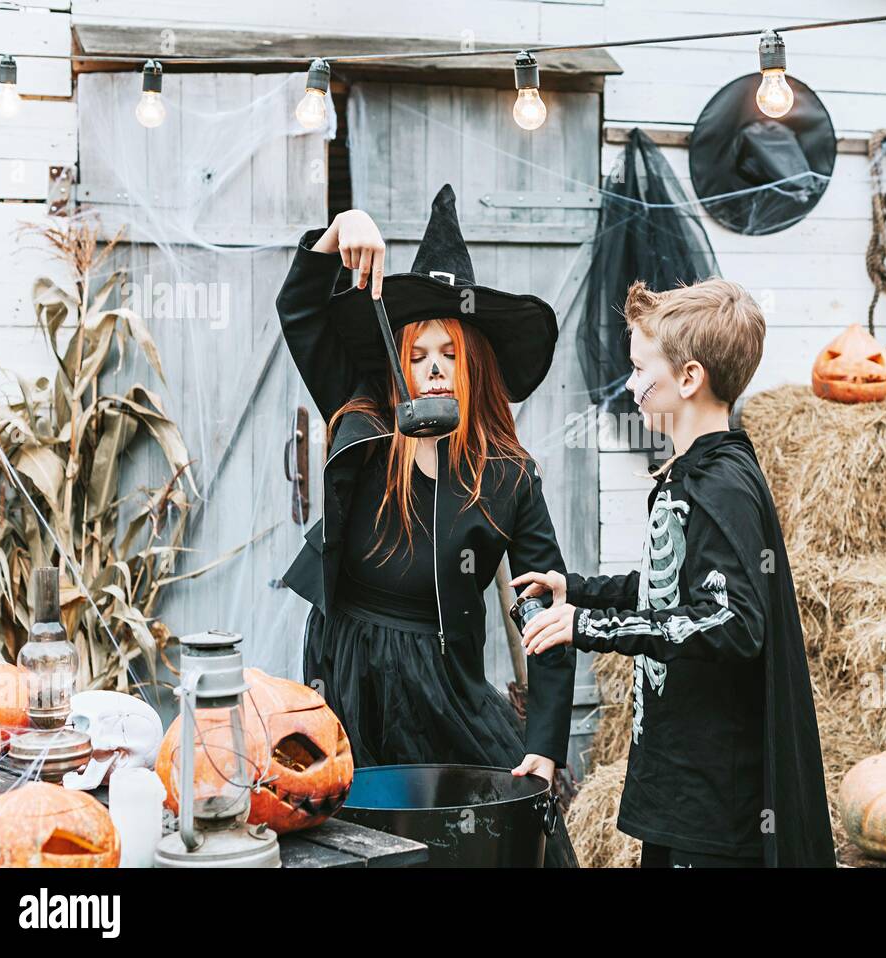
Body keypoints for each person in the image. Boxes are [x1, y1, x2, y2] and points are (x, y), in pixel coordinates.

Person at [276, 184, 577, 866]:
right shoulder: (361, 420)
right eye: (418, 354)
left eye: (450, 353)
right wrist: (340, 228)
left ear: (472, 364)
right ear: (399, 364)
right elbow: (299, 311)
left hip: (445, 680)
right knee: (356, 838)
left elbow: (545, 611)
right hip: (346, 664)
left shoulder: (506, 475)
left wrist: (547, 744)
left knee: (509, 825)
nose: (434, 367)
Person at [513, 278, 833, 867]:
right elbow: (679, 591)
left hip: (714, 805)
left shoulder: (720, 485)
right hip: (681, 786)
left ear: (689, 378)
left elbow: (733, 622)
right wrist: (578, 589)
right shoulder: (693, 473)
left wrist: (588, 627)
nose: (631, 386)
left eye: (641, 369)